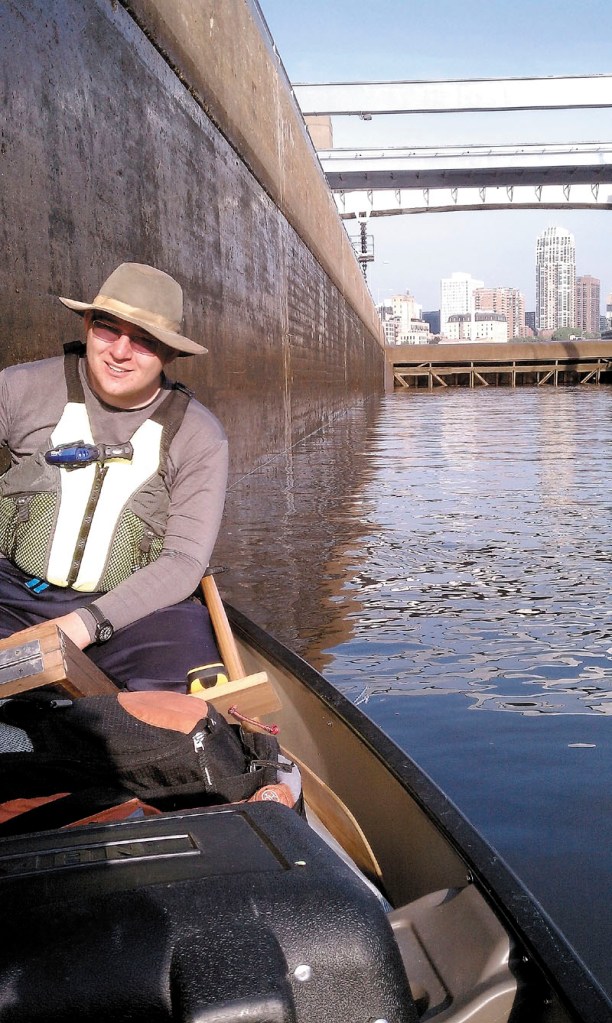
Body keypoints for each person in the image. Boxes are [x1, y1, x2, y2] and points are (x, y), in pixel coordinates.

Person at [0, 262, 228, 692]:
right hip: (11, 592)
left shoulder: (200, 436)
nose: (120, 352)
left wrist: (84, 624)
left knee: (191, 703)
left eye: (144, 341)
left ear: (171, 354)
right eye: (108, 329)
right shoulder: (17, 389)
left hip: (137, 615)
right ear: (87, 324)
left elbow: (183, 561)